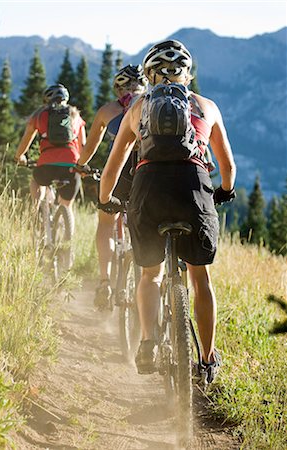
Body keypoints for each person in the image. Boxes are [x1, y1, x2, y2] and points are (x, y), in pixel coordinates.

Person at [98, 40, 236, 382]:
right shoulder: (207, 107)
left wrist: (107, 200)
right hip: (194, 189)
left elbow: (113, 167)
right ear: (187, 74)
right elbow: (228, 167)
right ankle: (206, 359)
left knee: (150, 275)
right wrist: (222, 192)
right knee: (199, 278)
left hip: (148, 190)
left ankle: (147, 343)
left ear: (150, 75)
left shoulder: (137, 109)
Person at [77, 65, 148, 310]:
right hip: (151, 172)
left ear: (118, 87)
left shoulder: (109, 110)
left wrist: (80, 165)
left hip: (120, 172)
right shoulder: (152, 106)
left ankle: (105, 281)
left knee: (106, 221)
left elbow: (91, 146)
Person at [14, 84, 86, 236]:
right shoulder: (76, 116)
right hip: (71, 166)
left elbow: (27, 138)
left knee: (37, 180)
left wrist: (20, 156)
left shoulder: (40, 115)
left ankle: (36, 208)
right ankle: (68, 246)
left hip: (46, 164)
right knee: (68, 206)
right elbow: (83, 146)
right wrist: (82, 166)